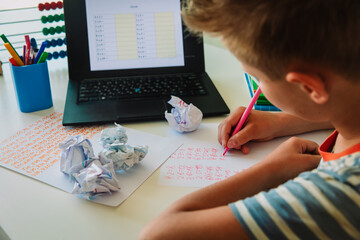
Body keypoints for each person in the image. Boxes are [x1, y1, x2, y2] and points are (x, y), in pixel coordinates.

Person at [139, 1, 360, 239]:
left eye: (257, 77)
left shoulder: (336, 193)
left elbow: (159, 233)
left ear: (308, 87)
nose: (258, 87)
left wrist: (269, 170)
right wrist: (283, 121)